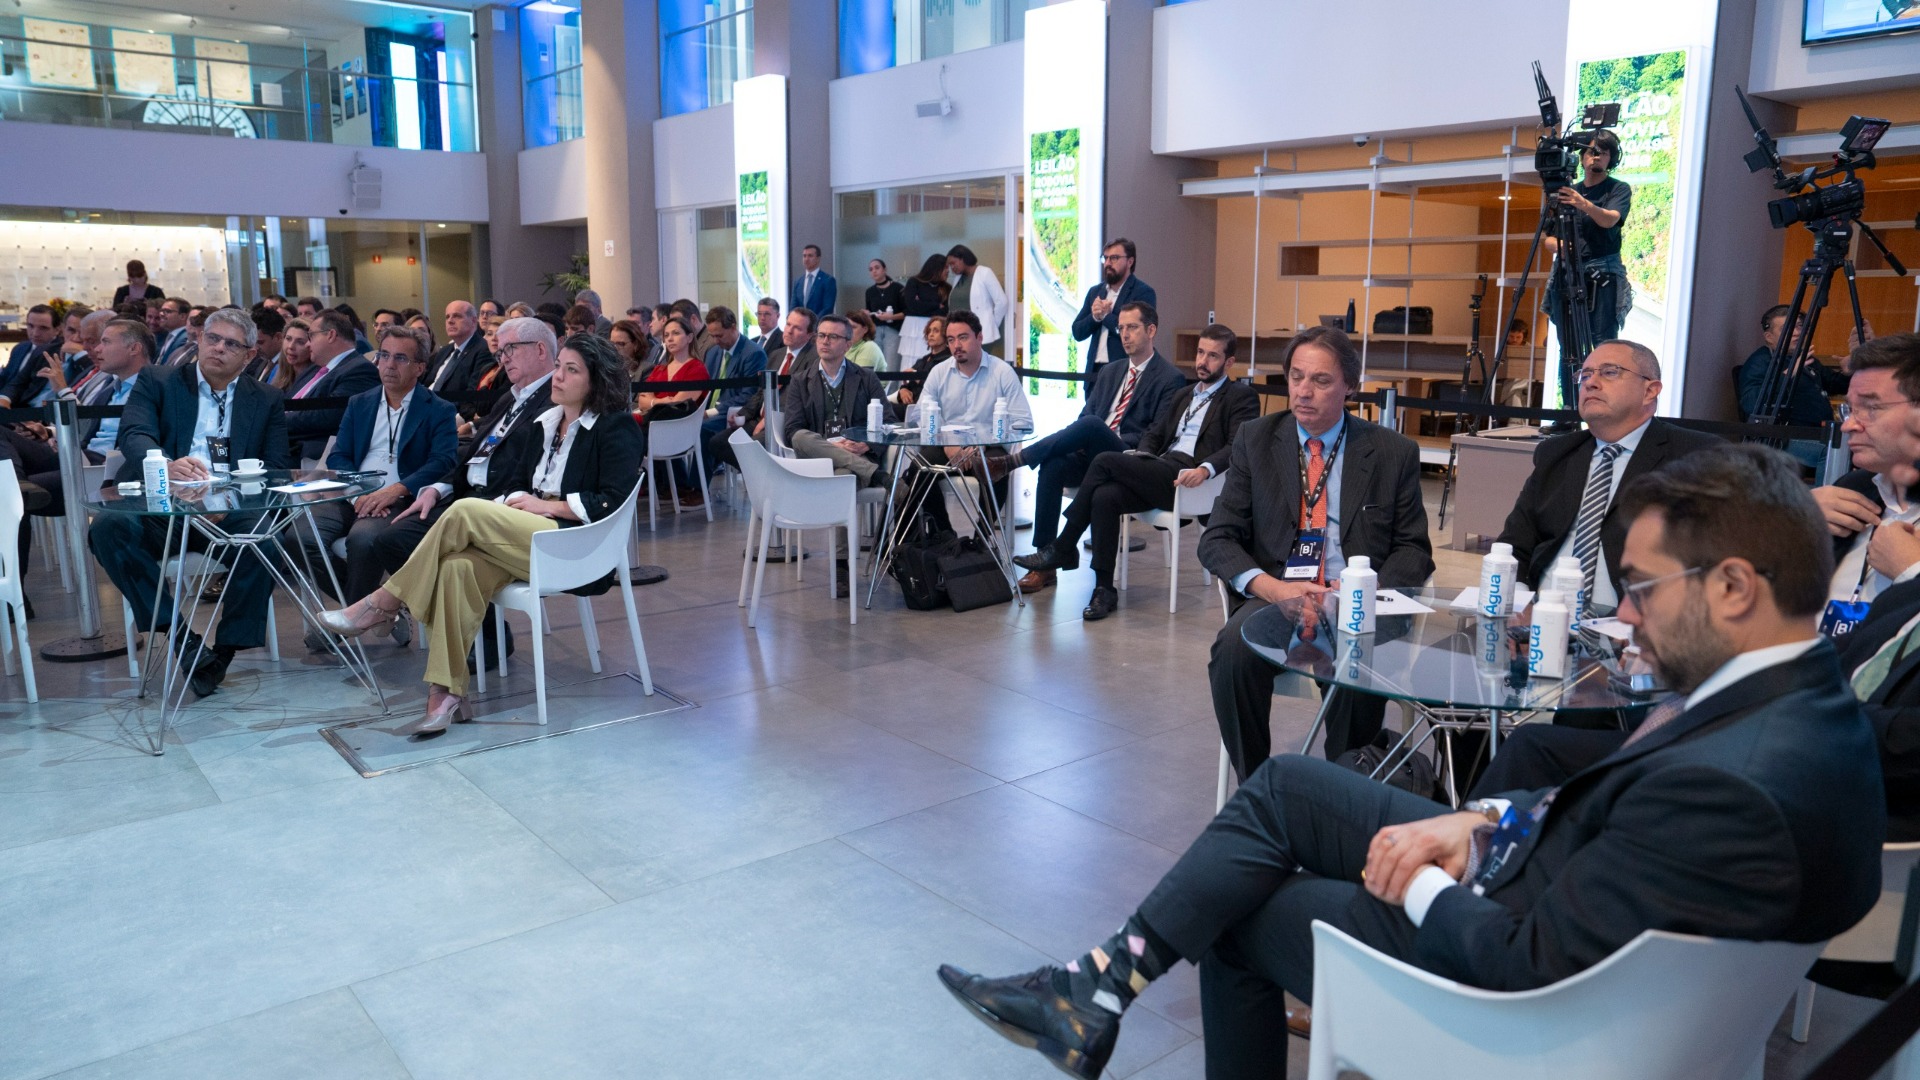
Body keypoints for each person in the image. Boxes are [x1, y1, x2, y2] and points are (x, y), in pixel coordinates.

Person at [937, 443, 1883, 1080]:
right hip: (1538, 889)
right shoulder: (1804, 705)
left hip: (1515, 996)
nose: (1626, 614)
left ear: (1734, 586)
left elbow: (1523, 964)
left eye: (1640, 587)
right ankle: (1095, 986)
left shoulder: (1733, 784)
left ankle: (1095, 993)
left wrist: (1423, 874)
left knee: (1236, 914)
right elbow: (1617, 827)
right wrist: (1482, 820)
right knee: (1287, 786)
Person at [318, 333, 642, 736]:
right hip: (529, 536)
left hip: (578, 545)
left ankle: (383, 601)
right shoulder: (546, 423)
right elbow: (517, 481)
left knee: (465, 510)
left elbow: (614, 500)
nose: (558, 376)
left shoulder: (615, 427)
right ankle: (446, 694)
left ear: (596, 381)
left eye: (571, 370)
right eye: (559, 366)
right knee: (456, 567)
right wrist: (518, 502)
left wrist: (549, 506)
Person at [1199, 325, 1433, 777]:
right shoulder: (1256, 439)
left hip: (1356, 603)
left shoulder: (1392, 452)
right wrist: (1272, 589)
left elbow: (1413, 550)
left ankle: (1342, 788)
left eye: (1321, 381)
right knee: (1231, 652)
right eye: (1296, 377)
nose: (1303, 392)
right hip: (1279, 595)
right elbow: (1218, 538)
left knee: (1356, 660)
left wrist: (1360, 594)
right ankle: (1256, 786)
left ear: (1350, 386)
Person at [90, 308, 293, 698]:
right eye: (212, 338)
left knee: (267, 538)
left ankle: (224, 651)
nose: (218, 348)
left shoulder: (266, 398)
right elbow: (134, 434)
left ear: (249, 355)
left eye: (231, 344)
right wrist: (166, 465)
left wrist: (231, 498)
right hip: (163, 507)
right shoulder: (158, 380)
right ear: (199, 340)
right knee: (108, 529)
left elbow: (275, 466)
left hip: (226, 511)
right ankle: (182, 639)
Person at [1017, 324, 1260, 620]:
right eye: (1200, 353)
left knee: (1104, 461)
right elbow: (1154, 434)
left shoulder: (1240, 397)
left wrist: (1205, 469)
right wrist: (1141, 457)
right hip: (1159, 469)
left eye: (1212, 356)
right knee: (1105, 496)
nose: (1202, 361)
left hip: (1189, 479)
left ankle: (1064, 545)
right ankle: (1104, 589)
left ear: (1229, 362)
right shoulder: (1184, 394)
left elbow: (1238, 445)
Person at [373, 316, 558, 668]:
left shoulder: (554, 400)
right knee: (391, 540)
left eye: (510, 349)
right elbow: (475, 452)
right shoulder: (510, 397)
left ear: (539, 350)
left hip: (500, 505)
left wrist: (488, 500)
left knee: (443, 553)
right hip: (467, 495)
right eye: (500, 352)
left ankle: (473, 636)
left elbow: (529, 469)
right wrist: (438, 487)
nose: (503, 358)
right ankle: (475, 632)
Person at [1496, 340, 1721, 618]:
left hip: (1635, 622)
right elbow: (1513, 546)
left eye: (1610, 372)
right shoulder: (1556, 454)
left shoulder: (1697, 455)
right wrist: (1521, 605)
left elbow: (1712, 562)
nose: (1591, 383)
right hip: (1543, 616)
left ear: (1650, 390)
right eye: (1585, 375)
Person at [999, 302, 1184, 594]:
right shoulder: (1111, 371)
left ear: (1151, 331)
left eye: (1132, 327)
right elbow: (1085, 416)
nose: (1125, 335)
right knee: (1054, 464)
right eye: (1121, 328)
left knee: (1095, 426)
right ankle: (1046, 562)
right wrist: (1087, 442)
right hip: (1093, 454)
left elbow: (1156, 434)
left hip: (1130, 459)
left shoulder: (1170, 378)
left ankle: (1015, 460)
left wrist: (1099, 435)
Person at [298, 323, 460, 620]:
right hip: (353, 493)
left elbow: (443, 461)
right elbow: (339, 455)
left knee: (363, 541)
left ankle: (354, 622)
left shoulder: (438, 409)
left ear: (420, 367)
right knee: (300, 537)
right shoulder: (360, 403)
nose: (389, 364)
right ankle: (375, 609)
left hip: (398, 498)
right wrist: (358, 493)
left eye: (400, 358)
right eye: (384, 355)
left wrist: (397, 490)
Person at [1810, 333, 1920, 606]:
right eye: (1850, 409)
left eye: (1871, 408)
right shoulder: (1852, 488)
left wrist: (1912, 573)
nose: (1848, 426)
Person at [785, 314, 887, 596]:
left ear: (847, 344)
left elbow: (887, 422)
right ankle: (877, 475)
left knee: (843, 477)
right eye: (821, 335)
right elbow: (792, 430)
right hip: (818, 461)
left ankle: (841, 565)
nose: (825, 341)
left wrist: (865, 445)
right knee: (801, 436)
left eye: (833, 337)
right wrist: (834, 448)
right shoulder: (801, 380)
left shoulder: (865, 377)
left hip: (856, 458)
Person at [915, 310, 1032, 531]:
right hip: (947, 446)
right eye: (951, 339)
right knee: (918, 470)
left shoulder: (1002, 372)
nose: (956, 345)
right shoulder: (939, 372)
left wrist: (981, 443)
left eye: (963, 337)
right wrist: (948, 443)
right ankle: (945, 536)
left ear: (979, 337)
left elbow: (1023, 422)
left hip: (987, 447)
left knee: (997, 468)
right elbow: (920, 414)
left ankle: (981, 540)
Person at [1542, 129, 1632, 395]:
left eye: (1604, 153)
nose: (1596, 157)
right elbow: (1547, 238)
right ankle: (1570, 409)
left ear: (1611, 159)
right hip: (1568, 274)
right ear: (1581, 157)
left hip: (1602, 274)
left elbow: (1610, 220)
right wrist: (1560, 246)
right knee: (1568, 347)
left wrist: (1584, 204)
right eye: (1591, 152)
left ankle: (1605, 402)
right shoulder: (1566, 192)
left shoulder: (1618, 188)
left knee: (1604, 345)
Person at [705, 307, 818, 478]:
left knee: (750, 449)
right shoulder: (776, 355)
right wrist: (742, 414)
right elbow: (760, 392)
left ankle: (763, 479)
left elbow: (799, 399)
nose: (789, 330)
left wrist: (770, 419)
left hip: (784, 421)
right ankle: (759, 477)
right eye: (788, 324)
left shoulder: (813, 358)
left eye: (797, 328)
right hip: (758, 418)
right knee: (718, 443)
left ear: (809, 335)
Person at [1736, 303, 1849, 470]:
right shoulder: (1760, 362)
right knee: (1832, 453)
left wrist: (1849, 371)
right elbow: (1751, 403)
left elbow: (1835, 384)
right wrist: (1788, 376)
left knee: (1853, 449)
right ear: (1769, 337)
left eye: (1799, 326)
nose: (1797, 332)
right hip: (1782, 438)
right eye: (1787, 328)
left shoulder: (1805, 359)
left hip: (1819, 434)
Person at [285, 310, 379, 461]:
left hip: (310, 456)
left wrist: (276, 420)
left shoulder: (359, 370)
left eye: (311, 336)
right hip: (285, 446)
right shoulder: (314, 369)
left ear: (331, 335)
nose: (308, 343)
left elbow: (327, 416)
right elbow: (288, 403)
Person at [1071, 238, 1158, 382]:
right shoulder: (1095, 292)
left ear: (1130, 261)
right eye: (1105, 258)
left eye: (1114, 258)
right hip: (1094, 374)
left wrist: (1106, 316)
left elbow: (1139, 334)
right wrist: (1095, 317)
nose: (1108, 263)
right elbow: (1077, 332)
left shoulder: (1143, 292)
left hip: (1124, 372)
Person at [699, 305, 767, 468]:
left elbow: (748, 395)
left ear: (733, 327)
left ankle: (697, 482)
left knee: (702, 429)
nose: (716, 341)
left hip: (732, 412)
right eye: (712, 336)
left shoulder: (753, 353)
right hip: (708, 411)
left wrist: (711, 412)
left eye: (719, 335)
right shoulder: (713, 352)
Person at [426, 300, 495, 401]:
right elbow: (428, 382)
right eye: (447, 317)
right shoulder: (444, 351)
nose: (450, 321)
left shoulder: (483, 350)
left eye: (457, 316)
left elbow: (471, 395)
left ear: (473, 321)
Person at [945, 245, 1008, 347]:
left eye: (953, 263)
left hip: (978, 334)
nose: (952, 268)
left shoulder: (984, 273)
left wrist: (991, 324)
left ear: (963, 258)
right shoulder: (958, 278)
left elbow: (1002, 302)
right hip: (959, 334)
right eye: (949, 265)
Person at [898, 254, 949, 373]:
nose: (948, 271)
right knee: (910, 362)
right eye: (945, 267)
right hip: (913, 329)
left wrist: (922, 304)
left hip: (935, 325)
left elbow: (945, 310)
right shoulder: (914, 282)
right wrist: (936, 305)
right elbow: (912, 306)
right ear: (936, 268)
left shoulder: (946, 288)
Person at [0, 305, 59, 405]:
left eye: (43, 328)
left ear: (57, 330)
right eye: (31, 326)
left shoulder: (58, 354)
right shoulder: (20, 348)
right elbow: (6, 377)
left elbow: (30, 389)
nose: (35, 333)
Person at [894, 316, 948, 408]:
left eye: (936, 331)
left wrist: (917, 377)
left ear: (945, 334)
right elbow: (907, 383)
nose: (931, 334)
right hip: (909, 405)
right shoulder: (923, 360)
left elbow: (939, 388)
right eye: (929, 331)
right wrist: (903, 390)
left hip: (927, 408)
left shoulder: (947, 360)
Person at [862, 259, 906, 369]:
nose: (874, 271)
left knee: (891, 365)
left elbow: (906, 312)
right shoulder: (870, 291)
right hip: (876, 330)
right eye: (871, 269)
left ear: (884, 270)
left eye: (877, 268)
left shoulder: (898, 288)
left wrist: (891, 317)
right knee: (876, 363)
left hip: (893, 330)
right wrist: (866, 314)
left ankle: (892, 382)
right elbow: (870, 311)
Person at [267, 318, 312, 392]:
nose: (291, 346)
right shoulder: (276, 371)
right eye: (288, 339)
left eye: (300, 342)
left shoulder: (316, 380)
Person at [791, 243, 837, 317]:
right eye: (804, 256)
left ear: (818, 258)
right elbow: (793, 307)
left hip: (819, 322)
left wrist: (813, 322)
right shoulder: (798, 282)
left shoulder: (828, 280)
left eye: (810, 256)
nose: (806, 259)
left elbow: (827, 308)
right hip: (800, 323)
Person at [245, 306, 286, 381]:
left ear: (278, 337)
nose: (255, 348)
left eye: (260, 342)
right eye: (253, 342)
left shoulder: (287, 366)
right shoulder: (259, 361)